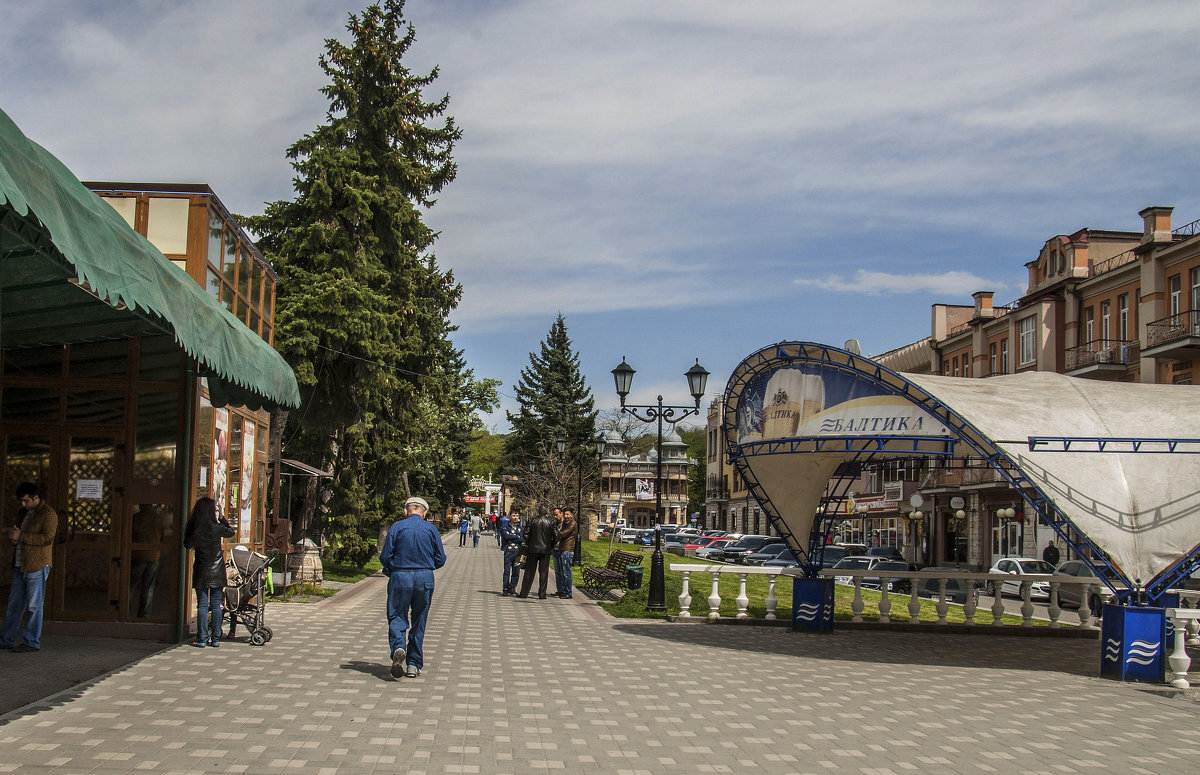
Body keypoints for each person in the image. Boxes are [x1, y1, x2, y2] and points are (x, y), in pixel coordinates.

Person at [381, 496, 446, 679]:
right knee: (419, 620)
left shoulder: (397, 527)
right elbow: (441, 558)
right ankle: (413, 664)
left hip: (400, 575)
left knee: (396, 616)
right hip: (424, 577)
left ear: (406, 511)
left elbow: (385, 556)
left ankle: (398, 647)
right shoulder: (431, 529)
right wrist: (426, 566)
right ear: (424, 513)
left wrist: (392, 571)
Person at [0, 482, 59, 653]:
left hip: (37, 564)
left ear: (35, 497)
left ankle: (31, 641)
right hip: (20, 563)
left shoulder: (48, 514)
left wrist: (22, 536)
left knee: (34, 605)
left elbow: (47, 539)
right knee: (14, 605)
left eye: (26, 501)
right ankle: (6, 639)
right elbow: (18, 534)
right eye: (21, 501)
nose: (23, 504)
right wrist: (14, 537)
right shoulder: (23, 513)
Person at [183, 497, 234, 648]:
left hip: (201, 569)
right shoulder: (216, 527)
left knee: (202, 606)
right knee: (216, 605)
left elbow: (186, 544)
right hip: (217, 570)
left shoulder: (195, 527)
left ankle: (202, 639)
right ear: (212, 511)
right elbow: (230, 532)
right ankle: (216, 638)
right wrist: (222, 518)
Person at [130, 505, 167, 618]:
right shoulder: (158, 518)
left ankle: (122, 610)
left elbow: (130, 534)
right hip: (154, 555)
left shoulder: (136, 518)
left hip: (138, 555)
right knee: (148, 587)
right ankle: (144, 615)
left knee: (130, 585)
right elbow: (162, 537)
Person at [517, 506, 557, 599]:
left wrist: (529, 543)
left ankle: (524, 593)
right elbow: (556, 535)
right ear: (546, 511)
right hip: (545, 549)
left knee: (529, 572)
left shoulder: (532, 520)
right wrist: (551, 545)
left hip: (533, 549)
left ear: (538, 512)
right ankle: (542, 594)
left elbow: (526, 534)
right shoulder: (551, 522)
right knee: (544, 572)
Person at [553, 507, 578, 599]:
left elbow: (563, 534)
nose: (566, 516)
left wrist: (556, 532)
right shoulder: (564, 523)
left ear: (571, 515)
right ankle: (561, 590)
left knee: (566, 572)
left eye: (568, 514)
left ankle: (568, 592)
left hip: (567, 550)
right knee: (559, 572)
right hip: (561, 549)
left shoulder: (572, 524)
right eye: (565, 514)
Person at [499, 511, 523, 595]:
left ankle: (512, 587)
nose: (515, 517)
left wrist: (513, 537)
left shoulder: (520, 527)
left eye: (517, 515)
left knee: (516, 571)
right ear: (510, 516)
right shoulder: (506, 526)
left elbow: (522, 539)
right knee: (507, 571)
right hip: (508, 551)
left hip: (517, 552)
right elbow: (506, 536)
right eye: (513, 515)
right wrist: (516, 536)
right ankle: (505, 588)